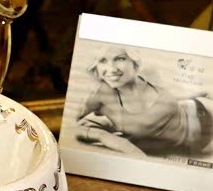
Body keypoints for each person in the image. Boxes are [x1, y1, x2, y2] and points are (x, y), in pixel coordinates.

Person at [75, 45, 213, 158]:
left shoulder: (150, 74)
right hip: (201, 143)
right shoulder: (99, 93)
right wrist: (102, 136)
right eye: (102, 61)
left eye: (120, 59)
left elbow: (174, 97)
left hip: (203, 106)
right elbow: (67, 125)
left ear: (134, 62)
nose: (111, 69)